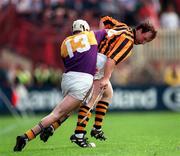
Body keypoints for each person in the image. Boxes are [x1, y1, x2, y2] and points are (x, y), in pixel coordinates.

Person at [39, 16, 157, 148]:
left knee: (107, 94)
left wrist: (99, 41)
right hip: (100, 64)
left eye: (147, 41)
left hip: (94, 59)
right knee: (90, 100)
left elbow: (105, 19)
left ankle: (94, 128)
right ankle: (78, 134)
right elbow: (111, 60)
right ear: (139, 30)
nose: (143, 42)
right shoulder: (128, 41)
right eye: (145, 38)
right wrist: (105, 78)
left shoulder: (123, 27)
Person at [13, 19, 107, 151]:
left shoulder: (64, 42)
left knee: (68, 110)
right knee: (57, 114)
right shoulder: (91, 35)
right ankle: (26, 136)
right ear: (86, 28)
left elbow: (69, 61)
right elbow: (108, 32)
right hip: (81, 80)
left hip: (67, 79)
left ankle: (52, 128)